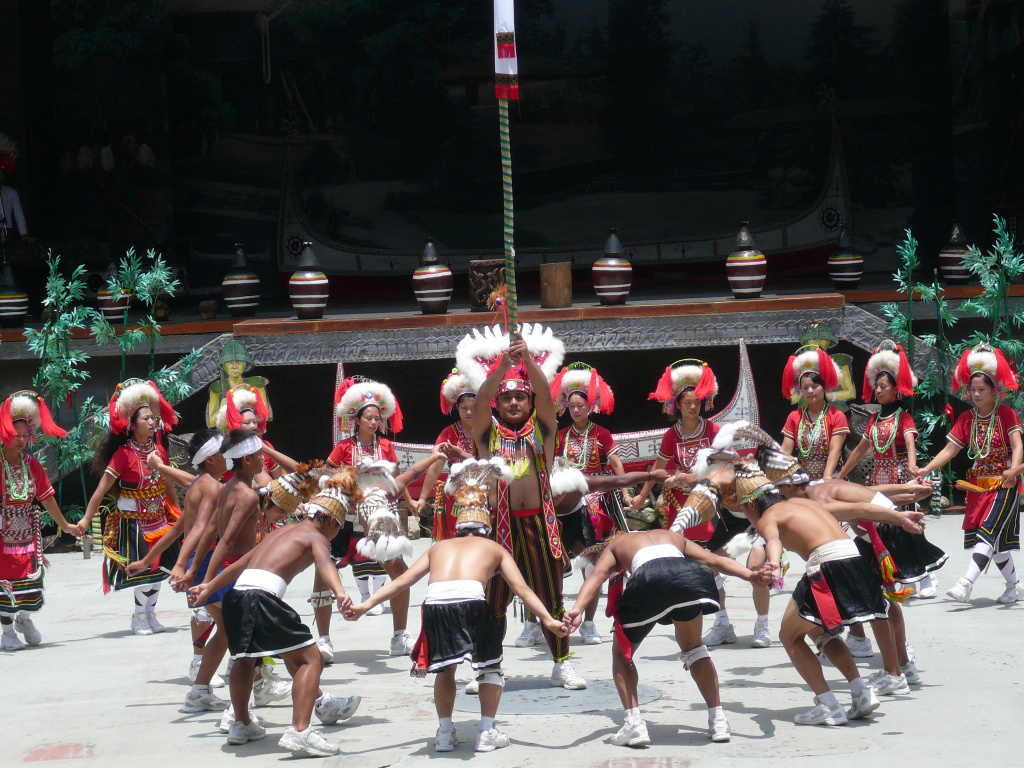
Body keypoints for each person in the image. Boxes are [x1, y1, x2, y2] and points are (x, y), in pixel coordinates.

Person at [346, 457, 570, 753]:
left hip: (435, 606)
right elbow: (524, 591)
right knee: (491, 668)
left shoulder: (439, 547)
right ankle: (487, 732)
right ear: (486, 524)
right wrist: (549, 622)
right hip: (471, 603)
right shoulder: (494, 548)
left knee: (445, 670)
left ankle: (444, 732)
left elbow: (401, 582)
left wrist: (365, 606)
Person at [740, 421, 937, 697]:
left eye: (781, 492)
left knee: (877, 604)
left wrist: (901, 512)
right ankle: (899, 663)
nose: (781, 499)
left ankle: (894, 672)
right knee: (879, 601)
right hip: (887, 526)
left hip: (886, 531)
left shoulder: (814, 498)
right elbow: (869, 496)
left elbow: (862, 505)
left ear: (788, 486)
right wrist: (907, 492)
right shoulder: (820, 486)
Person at [188, 469, 366, 756]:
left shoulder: (280, 532)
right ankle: (300, 730)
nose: (337, 532)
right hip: (261, 598)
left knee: (245, 660)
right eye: (339, 526)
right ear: (331, 520)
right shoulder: (315, 535)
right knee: (311, 659)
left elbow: (243, 564)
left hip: (236, 597)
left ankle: (242, 723)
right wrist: (341, 593)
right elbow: (325, 564)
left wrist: (209, 587)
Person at [711, 459, 888, 726]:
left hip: (827, 567)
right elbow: (861, 507)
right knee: (819, 631)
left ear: (750, 505)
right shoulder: (806, 503)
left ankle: (828, 705)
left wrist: (774, 566)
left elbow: (772, 541)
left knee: (789, 636)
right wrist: (901, 517)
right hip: (854, 559)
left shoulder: (767, 517)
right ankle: (861, 691)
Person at [457, 322, 586, 689]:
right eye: (506, 398)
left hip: (538, 526)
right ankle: (488, 666)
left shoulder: (543, 432)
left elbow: (547, 399)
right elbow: (479, 403)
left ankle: (562, 662)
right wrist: (500, 369)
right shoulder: (487, 434)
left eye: (520, 398)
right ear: (498, 402)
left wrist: (527, 359)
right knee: (492, 600)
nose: (514, 402)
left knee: (550, 595)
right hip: (499, 529)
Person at [567, 524, 772, 747]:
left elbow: (597, 575)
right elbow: (713, 560)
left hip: (649, 579)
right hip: (690, 577)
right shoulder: (672, 536)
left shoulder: (616, 545)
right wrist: (750, 575)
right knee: (694, 649)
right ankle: (718, 720)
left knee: (621, 655)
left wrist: (577, 609)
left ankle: (634, 724)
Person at [915, 343, 1024, 604]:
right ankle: (1015, 585)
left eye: (981, 390)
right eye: (972, 389)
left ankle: (966, 583)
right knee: (994, 544)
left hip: (1004, 484)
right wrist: (926, 468)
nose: (975, 394)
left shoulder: (1006, 414)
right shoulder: (966, 419)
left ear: (994, 390)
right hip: (978, 487)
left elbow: (1018, 445)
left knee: (987, 532)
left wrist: (1013, 470)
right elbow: (951, 449)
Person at [128, 429, 230, 696]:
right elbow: (198, 530)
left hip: (202, 560)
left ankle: (200, 688)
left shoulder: (200, 484)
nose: (228, 455)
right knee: (234, 624)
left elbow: (177, 530)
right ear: (210, 459)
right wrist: (182, 565)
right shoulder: (213, 487)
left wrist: (146, 560)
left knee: (228, 627)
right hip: (206, 560)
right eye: (223, 451)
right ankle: (226, 683)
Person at [837, 340, 941, 600]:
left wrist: (915, 467)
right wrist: (840, 475)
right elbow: (860, 450)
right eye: (877, 386)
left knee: (907, 526)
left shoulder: (903, 417)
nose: (878, 390)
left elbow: (910, 443)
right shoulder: (873, 419)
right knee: (885, 528)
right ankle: (896, 575)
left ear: (897, 390)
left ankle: (928, 574)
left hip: (900, 478)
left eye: (883, 386)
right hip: (879, 481)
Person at [320, 376, 415, 659]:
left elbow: (398, 478)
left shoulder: (385, 446)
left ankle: (400, 636)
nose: (374, 423)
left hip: (377, 518)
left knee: (400, 571)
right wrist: (348, 481)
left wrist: (409, 502)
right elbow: (324, 475)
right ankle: (323, 639)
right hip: (346, 519)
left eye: (377, 418)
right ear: (357, 420)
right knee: (323, 574)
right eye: (368, 418)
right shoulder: (344, 448)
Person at [82, 379, 181, 634]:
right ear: (131, 424)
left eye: (153, 417)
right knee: (143, 569)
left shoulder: (159, 449)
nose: (152, 422)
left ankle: (150, 614)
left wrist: (178, 512)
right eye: (146, 418)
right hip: (134, 520)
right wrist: (86, 519)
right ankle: (138, 616)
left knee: (159, 569)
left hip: (160, 518)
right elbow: (101, 490)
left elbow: (168, 482)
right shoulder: (123, 455)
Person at [540, 362, 627, 647]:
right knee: (544, 564)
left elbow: (615, 463)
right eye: (573, 406)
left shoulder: (602, 434)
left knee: (593, 564)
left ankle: (589, 623)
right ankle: (539, 623)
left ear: (590, 407)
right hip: (564, 504)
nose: (576, 410)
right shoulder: (561, 436)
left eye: (582, 405)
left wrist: (625, 492)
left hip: (596, 504)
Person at [0, 391, 76, 650]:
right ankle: (7, 631)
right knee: (5, 583)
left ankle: (24, 620)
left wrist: (65, 525)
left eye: (25, 436)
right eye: (16, 435)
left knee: (32, 583)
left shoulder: (32, 464)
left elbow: (46, 497)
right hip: (2, 536)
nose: (21, 440)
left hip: (28, 534)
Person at [408, 369, 477, 541]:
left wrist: (462, 454)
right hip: (456, 498)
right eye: (464, 408)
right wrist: (422, 498)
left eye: (473, 408)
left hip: (486, 493)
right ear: (457, 408)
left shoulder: (489, 430)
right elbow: (434, 469)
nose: (469, 412)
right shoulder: (448, 434)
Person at [779, 345, 850, 482]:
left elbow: (835, 450)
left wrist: (827, 477)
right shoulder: (794, 417)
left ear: (824, 387)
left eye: (815, 386)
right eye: (805, 388)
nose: (810, 391)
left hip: (831, 479)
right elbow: (786, 451)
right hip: (803, 480)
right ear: (801, 391)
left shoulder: (836, 415)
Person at [216, 382, 295, 479]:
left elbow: (280, 477)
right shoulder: (226, 452)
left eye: (254, 421)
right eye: (247, 423)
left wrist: (264, 448)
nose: (253, 426)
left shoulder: (266, 445)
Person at [206, 340, 270, 429]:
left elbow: (265, 416)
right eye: (230, 362)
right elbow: (212, 422)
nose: (234, 366)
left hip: (251, 432)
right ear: (224, 366)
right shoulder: (217, 387)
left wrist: (251, 407)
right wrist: (221, 409)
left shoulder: (256, 384)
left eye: (239, 362)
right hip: (228, 437)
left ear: (245, 365)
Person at [0, 140, 33, 242]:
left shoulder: (11, 193)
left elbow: (19, 215)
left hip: (7, 234)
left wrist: (24, 233)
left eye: (1, 173)